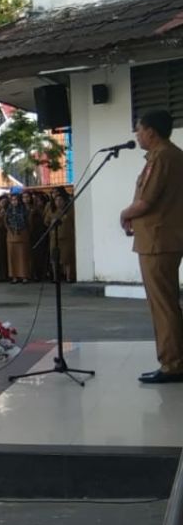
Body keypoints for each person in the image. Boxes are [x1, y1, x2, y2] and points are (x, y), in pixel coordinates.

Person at [120, 110, 183, 384]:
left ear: (151, 132)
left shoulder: (162, 158)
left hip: (158, 240)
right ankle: (175, 359)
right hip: (165, 237)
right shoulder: (172, 155)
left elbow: (146, 201)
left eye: (138, 130)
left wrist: (124, 214)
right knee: (167, 301)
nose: (136, 135)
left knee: (163, 304)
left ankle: (172, 364)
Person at [4, 194, 32, 283]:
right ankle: (14, 276)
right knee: (12, 257)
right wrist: (11, 230)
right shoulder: (8, 210)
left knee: (23, 257)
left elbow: (29, 223)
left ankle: (24, 276)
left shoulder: (25, 210)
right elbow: (5, 222)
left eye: (15, 200)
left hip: (23, 235)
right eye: (12, 200)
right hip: (11, 236)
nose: (14, 202)